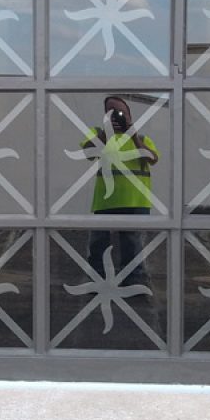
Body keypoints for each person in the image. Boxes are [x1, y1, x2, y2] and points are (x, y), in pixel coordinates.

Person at [82, 96, 159, 286]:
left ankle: (134, 281)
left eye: (120, 112)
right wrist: (106, 132)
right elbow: (88, 152)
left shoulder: (141, 138)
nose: (117, 116)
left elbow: (152, 158)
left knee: (132, 242)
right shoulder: (98, 134)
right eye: (111, 112)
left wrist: (133, 135)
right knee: (99, 242)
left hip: (135, 199)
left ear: (130, 115)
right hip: (105, 199)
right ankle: (98, 279)